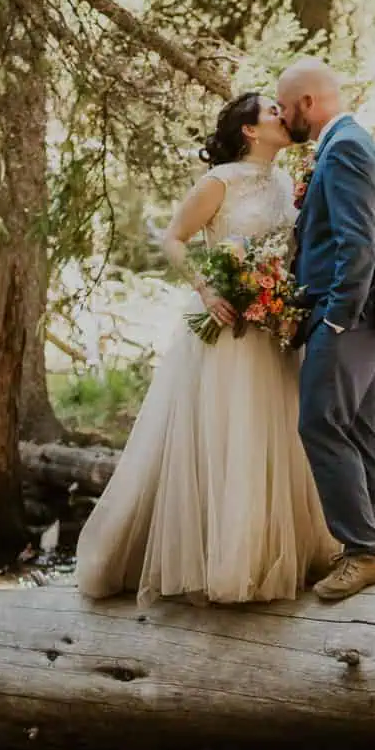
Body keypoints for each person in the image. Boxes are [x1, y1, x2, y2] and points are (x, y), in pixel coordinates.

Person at [74, 92, 340, 603]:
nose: (283, 117)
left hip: (273, 325)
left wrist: (280, 297)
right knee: (231, 433)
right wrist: (207, 287)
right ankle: (223, 559)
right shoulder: (220, 181)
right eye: (271, 112)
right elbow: (174, 238)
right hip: (225, 326)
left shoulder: (287, 183)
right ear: (248, 130)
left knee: (276, 433)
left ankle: (270, 554)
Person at [276, 58, 375, 602]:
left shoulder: (347, 147)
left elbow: (357, 243)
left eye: (285, 108)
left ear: (308, 103)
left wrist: (334, 315)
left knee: (320, 424)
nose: (284, 119)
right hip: (367, 317)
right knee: (359, 428)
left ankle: (363, 551)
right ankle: (373, 545)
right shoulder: (347, 143)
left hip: (351, 317)